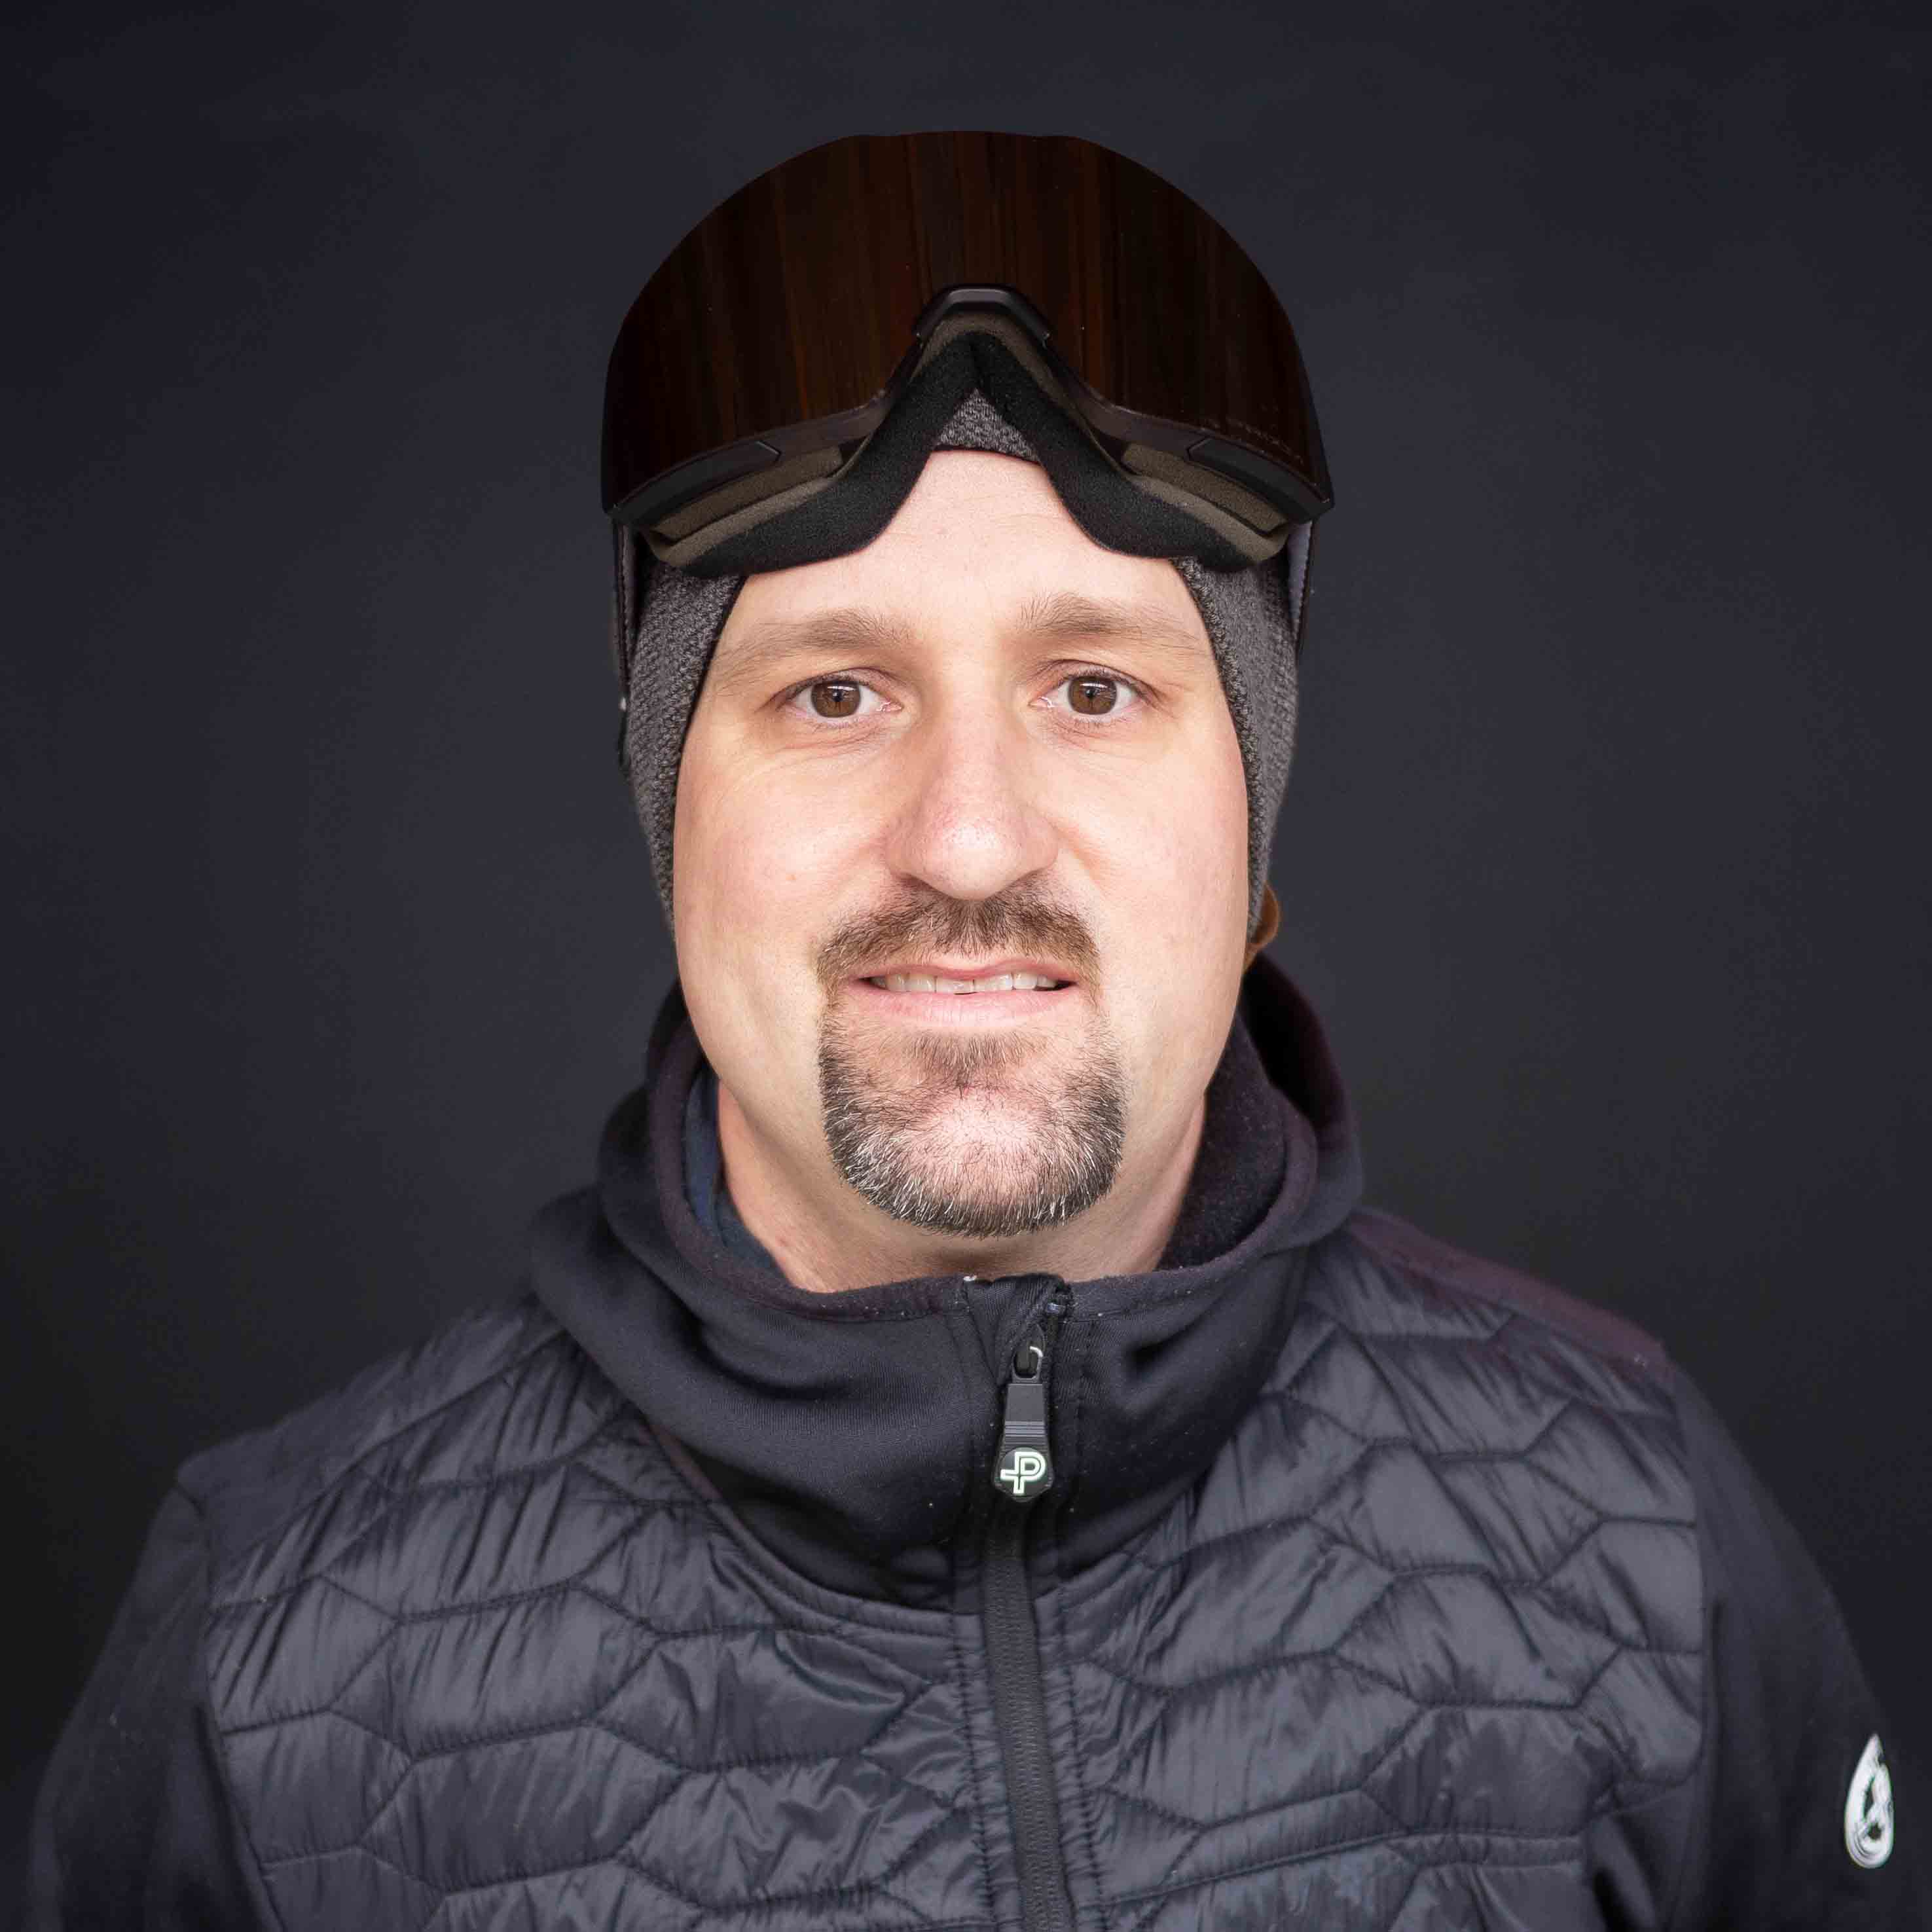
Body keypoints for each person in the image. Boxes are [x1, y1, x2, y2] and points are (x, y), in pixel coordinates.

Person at [25, 130, 1923, 1931]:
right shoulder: (269, 1661)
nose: (968, 840)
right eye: (834, 693)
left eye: (1093, 688)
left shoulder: (1641, 1536)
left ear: (1251, 814)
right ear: (671, 816)